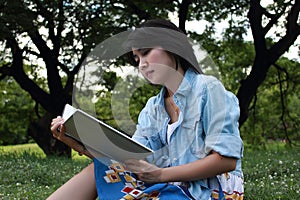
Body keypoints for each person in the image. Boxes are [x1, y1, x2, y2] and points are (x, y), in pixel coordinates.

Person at [49, 19, 244, 200]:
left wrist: (161, 175)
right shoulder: (153, 108)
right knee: (101, 168)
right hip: (168, 185)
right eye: (136, 58)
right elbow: (132, 161)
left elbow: (226, 161)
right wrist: (77, 143)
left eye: (146, 52)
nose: (142, 64)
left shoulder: (208, 89)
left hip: (210, 191)